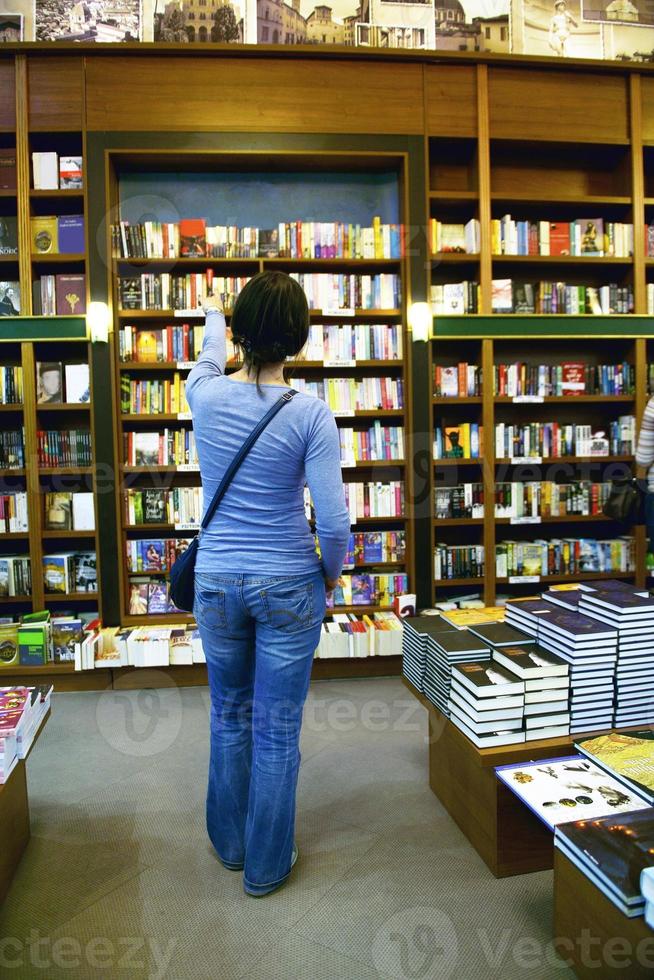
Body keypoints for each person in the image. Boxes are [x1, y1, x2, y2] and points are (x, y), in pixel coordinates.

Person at [186, 270, 350, 897]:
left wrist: (210, 316)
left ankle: (229, 845)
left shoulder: (204, 394)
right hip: (288, 583)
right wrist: (327, 577)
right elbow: (333, 521)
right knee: (277, 728)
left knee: (228, 715)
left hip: (218, 578)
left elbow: (205, 357)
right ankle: (265, 865)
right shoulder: (311, 414)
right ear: (299, 338)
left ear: (239, 334)